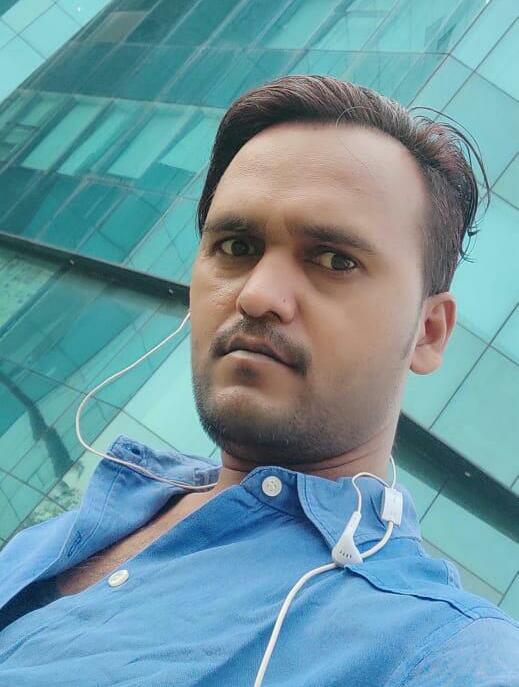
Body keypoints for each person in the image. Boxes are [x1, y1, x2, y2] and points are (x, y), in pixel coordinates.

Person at [0, 75, 517, 686]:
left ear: (428, 332)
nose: (257, 295)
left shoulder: (444, 651)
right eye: (237, 245)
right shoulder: (71, 529)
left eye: (335, 260)